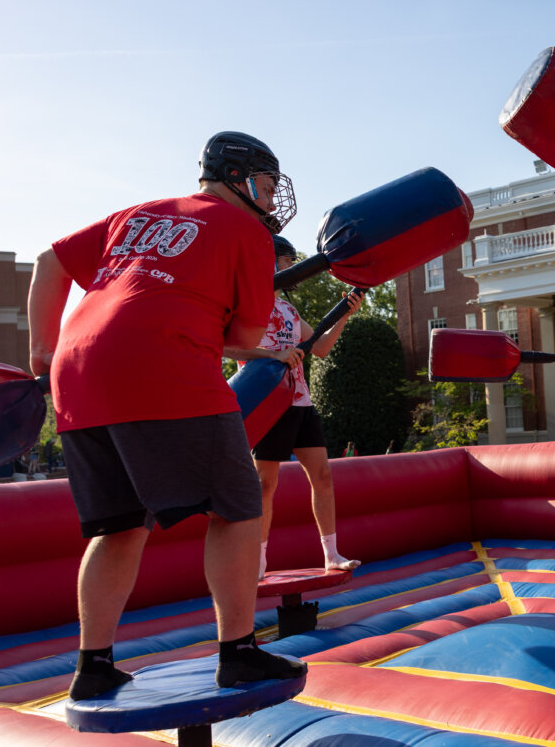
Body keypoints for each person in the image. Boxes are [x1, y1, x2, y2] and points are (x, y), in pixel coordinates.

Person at [27, 131, 308, 700]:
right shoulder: (249, 234)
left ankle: (94, 664)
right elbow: (246, 337)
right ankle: (240, 651)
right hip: (162, 368)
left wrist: (42, 355)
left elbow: (48, 262)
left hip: (76, 375)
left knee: (119, 526)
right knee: (237, 505)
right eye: (270, 182)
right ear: (240, 177)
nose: (274, 195)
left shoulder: (138, 212)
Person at [224, 236, 363, 578]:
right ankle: (258, 562)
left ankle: (331, 554)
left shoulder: (288, 310)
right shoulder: (247, 305)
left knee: (323, 476)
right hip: (268, 404)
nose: (291, 271)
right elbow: (229, 349)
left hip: (300, 401)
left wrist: (345, 313)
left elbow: (321, 347)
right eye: (286, 264)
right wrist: (275, 355)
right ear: (267, 263)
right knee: (265, 484)